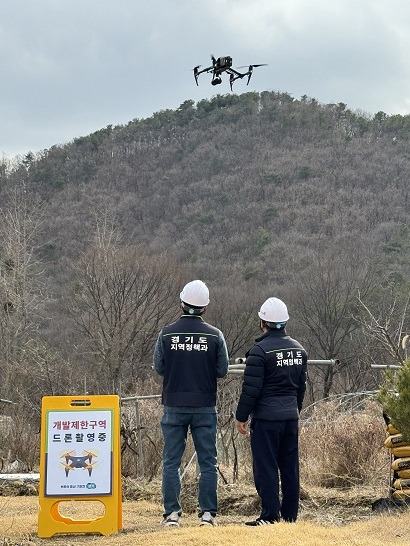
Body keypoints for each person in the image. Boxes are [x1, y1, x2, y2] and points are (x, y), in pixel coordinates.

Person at [153, 279, 229, 527]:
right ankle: (207, 514)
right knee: (208, 463)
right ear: (205, 308)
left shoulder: (166, 333)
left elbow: (159, 367)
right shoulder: (215, 336)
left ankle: (172, 514)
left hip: (174, 405)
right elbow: (222, 370)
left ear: (181, 303)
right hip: (205, 406)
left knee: (171, 462)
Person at [235, 297, 307, 526]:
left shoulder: (259, 351)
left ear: (262, 322)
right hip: (290, 417)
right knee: (289, 468)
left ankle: (269, 516)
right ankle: (290, 516)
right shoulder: (299, 349)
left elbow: (251, 390)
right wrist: (296, 411)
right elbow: (301, 387)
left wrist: (241, 417)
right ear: (285, 322)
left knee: (266, 468)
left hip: (266, 419)